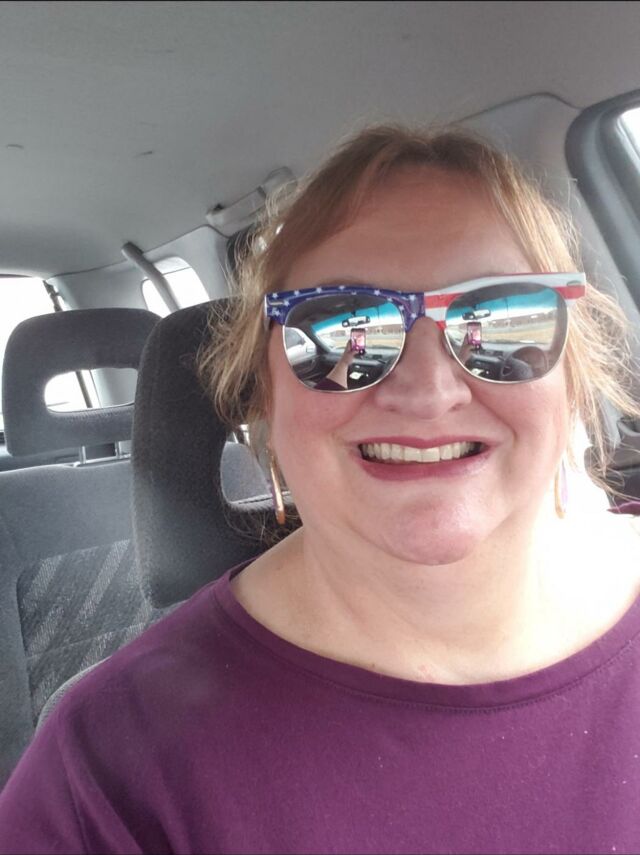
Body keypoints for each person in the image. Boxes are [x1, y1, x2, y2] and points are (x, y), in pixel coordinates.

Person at [2, 124, 640, 854]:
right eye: (342, 327)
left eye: (496, 319)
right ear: (264, 395)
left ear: (572, 373)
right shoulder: (106, 775)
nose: (427, 393)